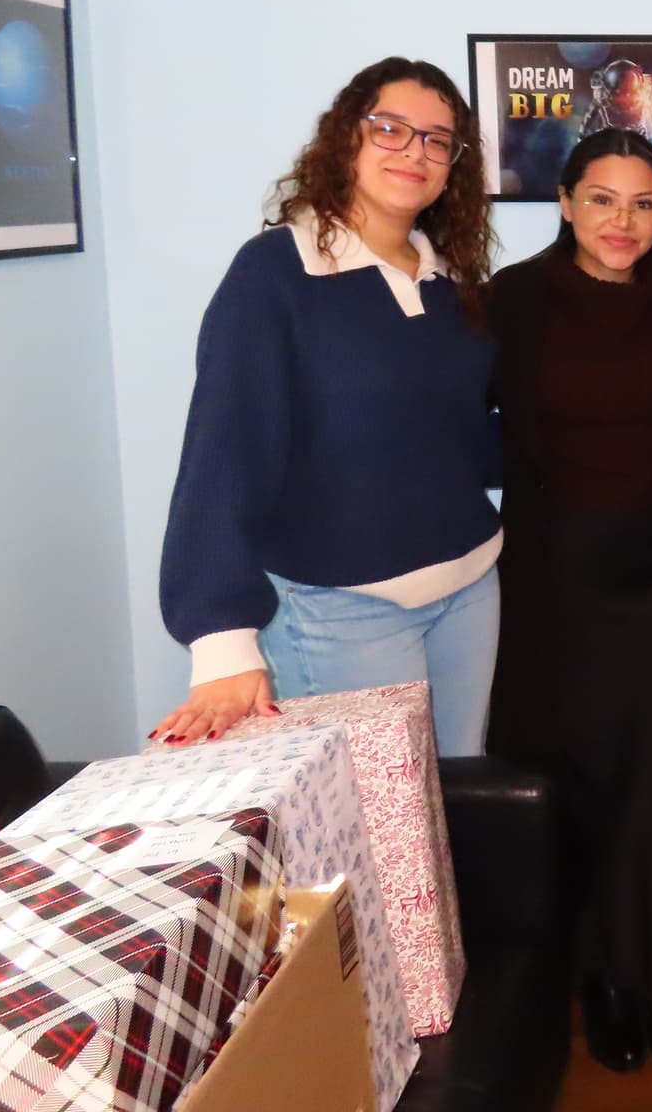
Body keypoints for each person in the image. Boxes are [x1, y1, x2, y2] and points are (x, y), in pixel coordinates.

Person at [149, 57, 500, 756]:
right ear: (347, 138)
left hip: (470, 592)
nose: (415, 152)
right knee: (375, 823)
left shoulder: (448, 280)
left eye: (437, 140)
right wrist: (221, 638)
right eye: (390, 129)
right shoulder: (275, 274)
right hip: (341, 615)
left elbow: (458, 435)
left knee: (455, 807)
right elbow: (225, 451)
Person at [486, 128, 652, 1074]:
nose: (623, 222)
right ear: (566, 202)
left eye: (644, 204)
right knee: (583, 781)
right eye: (603, 199)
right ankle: (605, 979)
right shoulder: (513, 301)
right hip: (558, 582)